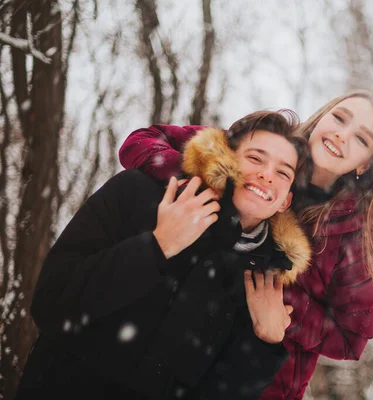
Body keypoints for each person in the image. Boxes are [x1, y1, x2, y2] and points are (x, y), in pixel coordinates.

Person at [118, 89, 373, 399]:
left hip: (258, 385)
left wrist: (283, 308)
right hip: (175, 352)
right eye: (340, 118)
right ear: (321, 118)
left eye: (362, 139)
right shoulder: (262, 149)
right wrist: (206, 181)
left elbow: (352, 338)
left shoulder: (353, 235)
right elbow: (141, 141)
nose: (343, 135)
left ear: (365, 165)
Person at [15, 110, 312, 400]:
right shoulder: (136, 192)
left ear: (285, 201)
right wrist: (158, 246)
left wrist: (265, 342)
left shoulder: (264, 278)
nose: (266, 174)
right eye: (255, 158)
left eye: (283, 172)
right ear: (227, 160)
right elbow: (51, 302)